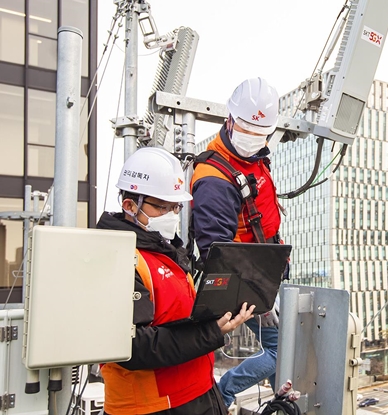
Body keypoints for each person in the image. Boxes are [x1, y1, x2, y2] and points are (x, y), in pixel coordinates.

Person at [97, 147, 255, 415]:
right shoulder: (116, 257)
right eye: (162, 207)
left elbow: (179, 317)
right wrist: (211, 332)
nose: (171, 214)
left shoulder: (168, 252)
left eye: (175, 207)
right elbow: (132, 346)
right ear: (130, 206)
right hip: (150, 407)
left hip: (200, 392)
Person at [191, 77, 284, 408]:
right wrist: (261, 296)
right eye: (246, 129)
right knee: (282, 350)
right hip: (252, 280)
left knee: (284, 353)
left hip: (265, 274)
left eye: (261, 133)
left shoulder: (252, 157)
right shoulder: (214, 177)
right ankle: (223, 393)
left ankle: (282, 400)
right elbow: (220, 252)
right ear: (229, 120)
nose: (253, 138)